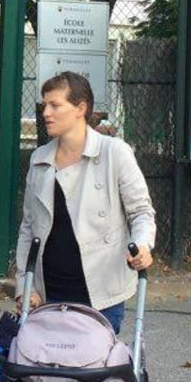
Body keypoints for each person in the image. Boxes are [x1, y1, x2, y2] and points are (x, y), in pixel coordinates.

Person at [16, 72, 156, 334]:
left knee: (92, 370)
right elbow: (28, 228)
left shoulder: (114, 152)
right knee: (45, 370)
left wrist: (143, 245)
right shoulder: (39, 159)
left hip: (100, 293)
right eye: (44, 104)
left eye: (55, 105)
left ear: (80, 108)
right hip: (49, 294)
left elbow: (141, 212)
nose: (46, 112)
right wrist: (25, 286)